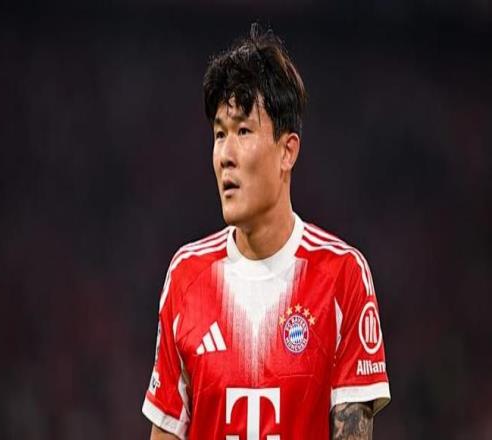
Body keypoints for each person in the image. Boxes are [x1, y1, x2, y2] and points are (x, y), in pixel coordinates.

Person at [143, 24, 390, 440]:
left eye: (243, 131)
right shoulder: (186, 276)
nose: (225, 155)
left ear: (287, 151)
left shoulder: (342, 275)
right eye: (219, 134)